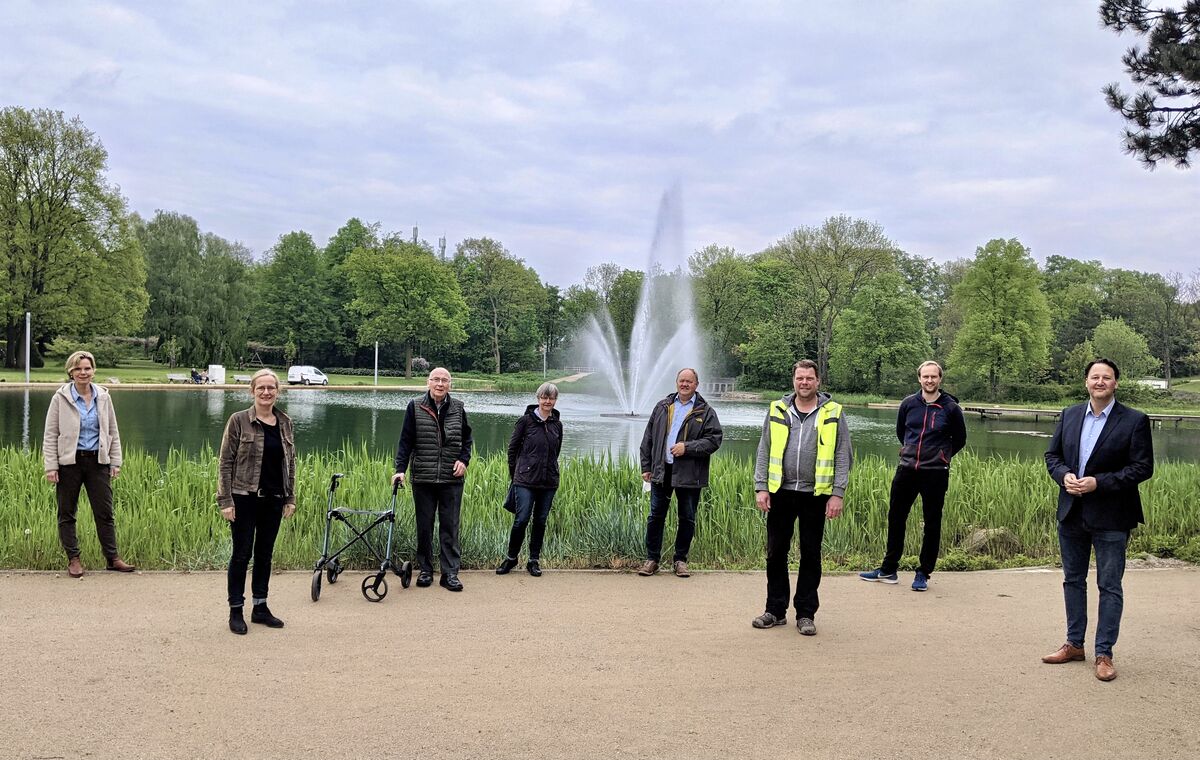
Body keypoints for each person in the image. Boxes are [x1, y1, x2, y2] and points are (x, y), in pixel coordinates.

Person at [1042, 358, 1153, 682]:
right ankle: (1074, 644)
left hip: (1112, 517)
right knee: (1072, 581)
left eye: (1106, 377)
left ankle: (1104, 653)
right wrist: (1064, 476)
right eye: (1095, 377)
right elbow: (1053, 456)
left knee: (1109, 586)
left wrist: (1098, 482)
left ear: (1116, 383)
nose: (1100, 382)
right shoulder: (1071, 414)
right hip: (1072, 512)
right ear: (1086, 382)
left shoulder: (1134, 420)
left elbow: (1142, 467)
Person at [751, 359, 852, 636]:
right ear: (793, 380)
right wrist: (761, 486)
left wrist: (837, 494)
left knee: (810, 554)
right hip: (780, 492)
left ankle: (806, 614)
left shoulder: (832, 412)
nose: (804, 383)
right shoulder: (777, 409)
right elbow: (764, 448)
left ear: (818, 381)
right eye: (800, 378)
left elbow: (843, 455)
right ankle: (775, 610)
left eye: (809, 378)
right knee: (775, 553)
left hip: (815, 494)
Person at [859, 360, 967, 591]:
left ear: (940, 379)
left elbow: (960, 439)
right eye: (925, 377)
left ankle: (923, 572)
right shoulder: (909, 404)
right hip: (907, 469)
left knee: (932, 523)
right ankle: (889, 569)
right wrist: (910, 452)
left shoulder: (950, 408)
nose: (929, 380)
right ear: (919, 379)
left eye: (933, 377)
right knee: (896, 517)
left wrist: (942, 456)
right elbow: (902, 432)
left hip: (935, 473)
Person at [217, 368, 297, 635]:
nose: (266, 392)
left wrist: (290, 497)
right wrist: (225, 500)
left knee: (265, 555)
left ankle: (260, 607)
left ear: (277, 391)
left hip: (274, 499)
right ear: (252, 391)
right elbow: (225, 462)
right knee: (241, 555)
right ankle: (236, 610)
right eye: (261, 388)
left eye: (271, 388)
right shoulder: (238, 420)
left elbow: (290, 462)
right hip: (243, 498)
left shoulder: (284, 421)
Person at [43, 350, 135, 578]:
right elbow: (50, 433)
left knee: (104, 512)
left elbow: (112, 430)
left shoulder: (103, 397)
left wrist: (116, 461)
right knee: (67, 513)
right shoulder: (60, 398)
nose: (83, 373)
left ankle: (112, 558)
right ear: (71, 372)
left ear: (93, 371)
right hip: (69, 462)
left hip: (97, 461)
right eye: (78, 369)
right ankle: (73, 559)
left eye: (87, 368)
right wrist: (51, 466)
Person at [637, 368, 723, 578]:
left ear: (696, 385)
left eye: (689, 382)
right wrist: (646, 466)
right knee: (655, 516)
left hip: (689, 473)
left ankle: (680, 560)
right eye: (682, 381)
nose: (685, 384)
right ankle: (652, 559)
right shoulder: (663, 406)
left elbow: (714, 440)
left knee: (687, 517)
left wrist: (688, 447)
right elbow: (648, 437)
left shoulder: (705, 411)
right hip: (661, 470)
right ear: (676, 382)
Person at [392, 367, 473, 592]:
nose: (440, 384)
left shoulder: (458, 408)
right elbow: (405, 441)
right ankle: (425, 570)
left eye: (444, 380)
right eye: (436, 379)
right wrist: (400, 469)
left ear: (450, 384)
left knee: (450, 527)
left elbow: (467, 440)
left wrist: (464, 460)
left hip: (451, 478)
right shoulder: (415, 406)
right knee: (424, 527)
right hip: (424, 477)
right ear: (428, 382)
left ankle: (450, 574)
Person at [497, 382, 564, 577]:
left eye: (551, 398)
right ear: (538, 399)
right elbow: (512, 450)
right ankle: (511, 558)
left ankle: (533, 560)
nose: (547, 401)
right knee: (522, 519)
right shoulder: (525, 422)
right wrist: (516, 473)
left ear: (555, 400)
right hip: (524, 480)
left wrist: (549, 468)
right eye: (544, 397)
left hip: (548, 481)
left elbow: (556, 452)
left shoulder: (557, 425)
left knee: (541, 520)